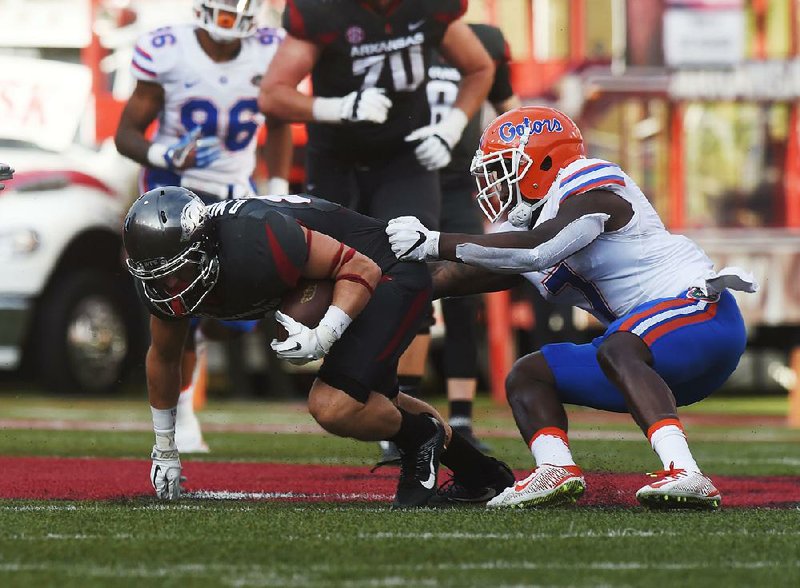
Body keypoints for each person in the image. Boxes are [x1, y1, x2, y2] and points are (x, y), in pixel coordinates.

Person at [386, 106, 758, 510]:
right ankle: (556, 469)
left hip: (701, 316)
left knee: (616, 346)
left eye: (503, 167)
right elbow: (457, 275)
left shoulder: (588, 185)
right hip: (658, 359)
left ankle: (687, 473)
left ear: (543, 161)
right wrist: (381, 282)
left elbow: (540, 249)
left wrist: (434, 240)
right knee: (530, 375)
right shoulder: (534, 227)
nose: (495, 182)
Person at [122, 186, 514, 507]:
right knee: (376, 400)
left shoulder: (255, 239)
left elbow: (361, 269)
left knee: (332, 404)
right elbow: (163, 358)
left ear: (204, 245)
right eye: (158, 275)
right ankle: (482, 477)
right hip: (355, 278)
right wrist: (164, 448)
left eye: (177, 271)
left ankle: (419, 438)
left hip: (384, 272)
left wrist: (323, 334)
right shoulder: (163, 284)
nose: (169, 287)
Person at [256, 0, 495, 462]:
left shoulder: (426, 9)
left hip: (404, 161)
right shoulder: (323, 11)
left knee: (407, 274)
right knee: (327, 273)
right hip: (338, 163)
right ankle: (363, 390)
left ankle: (394, 407)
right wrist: (336, 106)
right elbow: (273, 95)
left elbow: (479, 67)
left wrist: (451, 126)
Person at [114, 0, 293, 452]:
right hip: (174, 191)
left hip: (236, 189)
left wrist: (275, 185)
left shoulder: (269, 48)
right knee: (179, 310)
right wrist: (163, 154)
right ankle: (184, 412)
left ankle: (195, 369)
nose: (236, 21)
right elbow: (127, 133)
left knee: (238, 315)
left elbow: (278, 121)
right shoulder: (168, 49)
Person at [423, 22, 521, 453]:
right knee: (407, 288)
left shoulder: (487, 41)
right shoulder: (402, 33)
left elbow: (512, 114)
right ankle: (402, 408)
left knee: (465, 294)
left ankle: (461, 416)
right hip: (408, 178)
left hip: (461, 182)